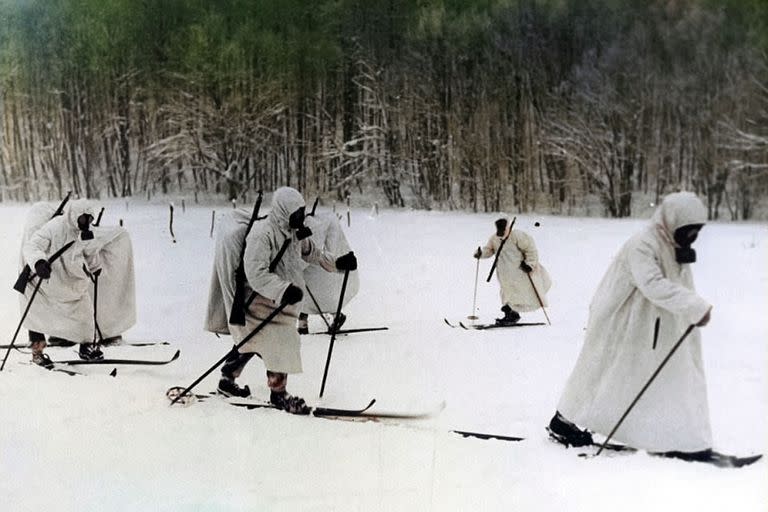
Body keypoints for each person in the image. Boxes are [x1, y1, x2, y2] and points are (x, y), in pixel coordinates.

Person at [549, 192, 714, 460]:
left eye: (696, 232)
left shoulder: (670, 242)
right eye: (688, 231)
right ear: (673, 221)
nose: (692, 238)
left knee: (630, 377)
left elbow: (676, 282)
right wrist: (694, 306)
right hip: (618, 319)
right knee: (601, 371)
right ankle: (563, 421)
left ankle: (668, 434)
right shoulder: (643, 244)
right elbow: (652, 284)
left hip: (646, 322)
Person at [205, 187, 357, 414]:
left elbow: (312, 253)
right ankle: (279, 394)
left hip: (280, 301)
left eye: (302, 212)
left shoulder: (294, 231)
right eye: (297, 213)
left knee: (251, 341)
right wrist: (283, 290)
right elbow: (256, 273)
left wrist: (338, 263)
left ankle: (227, 380)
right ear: (284, 211)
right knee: (279, 342)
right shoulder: (262, 234)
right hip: (258, 300)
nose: (301, 217)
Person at [19, 199, 137, 366]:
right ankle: (37, 352)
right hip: (49, 280)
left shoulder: (87, 233)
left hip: (72, 282)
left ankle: (86, 347)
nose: (86, 223)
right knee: (38, 314)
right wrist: (39, 262)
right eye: (83, 219)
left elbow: (90, 253)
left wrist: (95, 267)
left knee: (85, 314)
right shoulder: (55, 227)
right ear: (74, 215)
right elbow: (33, 246)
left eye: (89, 219)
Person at [473, 218, 551, 325]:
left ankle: (513, 314)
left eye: (502, 229)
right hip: (504, 273)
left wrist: (530, 263)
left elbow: (531, 249)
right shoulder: (494, 238)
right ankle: (511, 314)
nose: (500, 232)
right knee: (507, 292)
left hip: (519, 271)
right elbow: (489, 250)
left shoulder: (517, 236)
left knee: (519, 292)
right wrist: (480, 253)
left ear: (507, 227)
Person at [297, 211, 359, 334]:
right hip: (322, 263)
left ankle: (305, 323)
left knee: (309, 291)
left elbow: (310, 251)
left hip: (320, 263)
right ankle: (333, 316)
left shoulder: (315, 224)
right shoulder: (325, 222)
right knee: (312, 292)